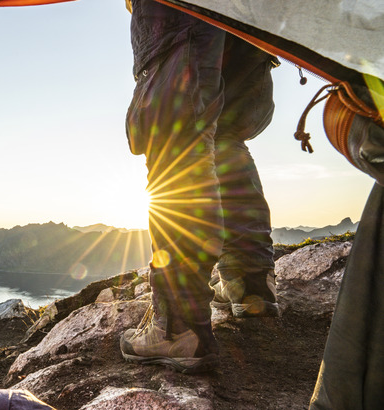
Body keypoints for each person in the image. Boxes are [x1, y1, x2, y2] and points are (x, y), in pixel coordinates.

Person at [119, 0, 281, 373]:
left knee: (178, 131)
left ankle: (178, 326)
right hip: (253, 15)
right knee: (224, 135)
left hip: (181, 14)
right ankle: (250, 286)